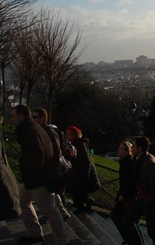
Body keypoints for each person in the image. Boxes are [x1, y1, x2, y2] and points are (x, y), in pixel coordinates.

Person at [12, 104, 69, 245]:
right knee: (24, 203)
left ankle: (62, 240)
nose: (11, 119)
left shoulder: (28, 131)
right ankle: (34, 234)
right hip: (32, 178)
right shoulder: (32, 127)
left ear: (21, 116)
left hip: (37, 178)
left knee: (50, 210)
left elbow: (37, 154)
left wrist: (34, 173)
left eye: (13, 116)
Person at [121, 136, 155, 245]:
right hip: (144, 199)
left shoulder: (149, 163)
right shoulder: (140, 160)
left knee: (153, 232)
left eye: (133, 146)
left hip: (151, 202)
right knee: (127, 220)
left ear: (140, 148)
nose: (131, 148)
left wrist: (147, 201)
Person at [31, 108, 71, 223]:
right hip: (47, 168)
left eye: (35, 117)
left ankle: (56, 215)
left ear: (42, 119)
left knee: (47, 193)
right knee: (49, 193)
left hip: (49, 168)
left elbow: (55, 151)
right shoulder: (41, 130)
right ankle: (61, 213)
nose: (33, 119)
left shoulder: (48, 131)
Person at [111, 141, 142, 244]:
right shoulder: (126, 162)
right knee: (129, 220)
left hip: (127, 196)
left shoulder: (128, 164)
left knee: (120, 217)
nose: (118, 150)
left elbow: (131, 183)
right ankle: (132, 240)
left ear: (126, 151)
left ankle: (132, 240)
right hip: (127, 195)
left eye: (120, 148)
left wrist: (123, 195)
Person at [65, 126, 101, 214]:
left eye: (69, 134)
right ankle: (85, 202)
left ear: (74, 135)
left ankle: (82, 206)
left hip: (81, 173)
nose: (67, 136)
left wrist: (86, 175)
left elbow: (86, 161)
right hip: (78, 172)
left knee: (76, 191)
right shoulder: (76, 144)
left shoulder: (80, 145)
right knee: (77, 191)